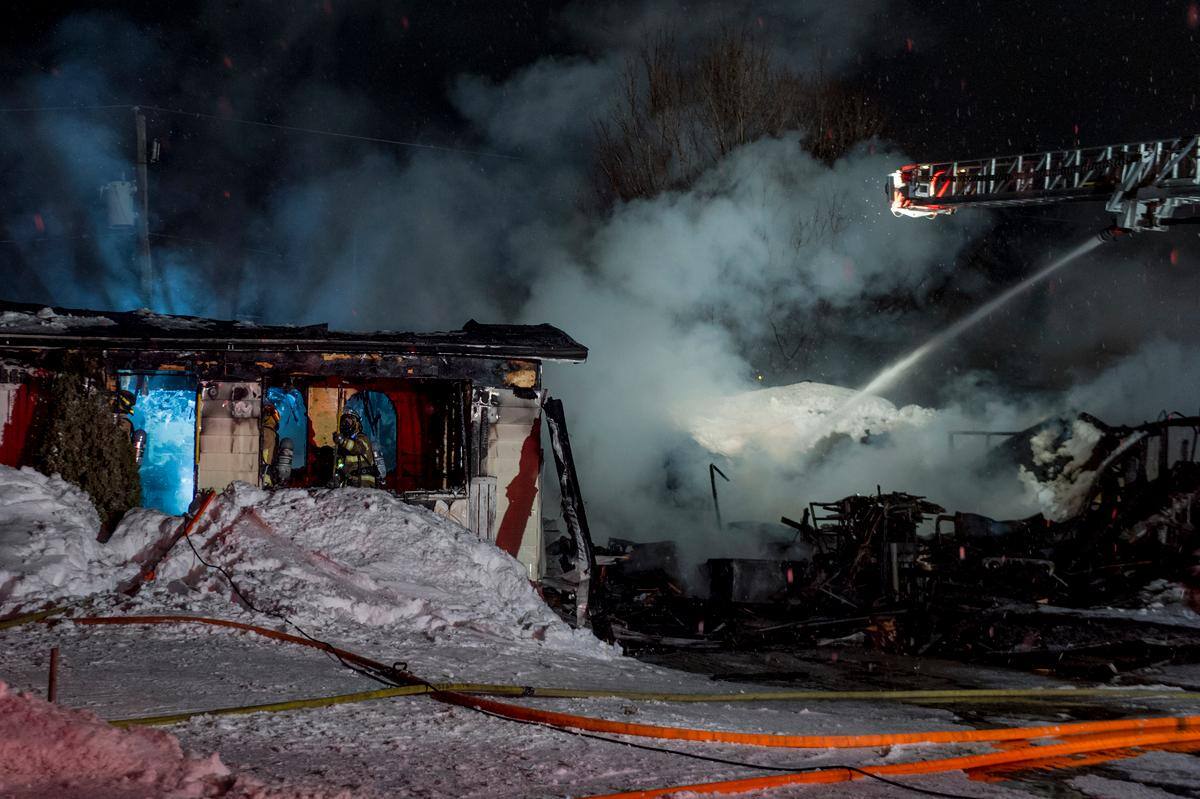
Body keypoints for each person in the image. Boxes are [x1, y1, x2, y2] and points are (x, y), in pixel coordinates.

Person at [331, 409, 378, 488]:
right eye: (343, 421)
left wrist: (342, 441)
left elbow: (357, 448)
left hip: (365, 484)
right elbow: (341, 466)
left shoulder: (362, 438)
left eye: (349, 421)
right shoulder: (343, 447)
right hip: (351, 485)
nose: (345, 424)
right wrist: (337, 478)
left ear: (356, 423)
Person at [260, 402, 281, 487]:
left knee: (267, 456)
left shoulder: (268, 411)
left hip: (267, 431)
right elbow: (277, 419)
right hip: (269, 432)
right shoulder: (272, 412)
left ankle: (266, 479)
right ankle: (266, 480)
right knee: (267, 456)